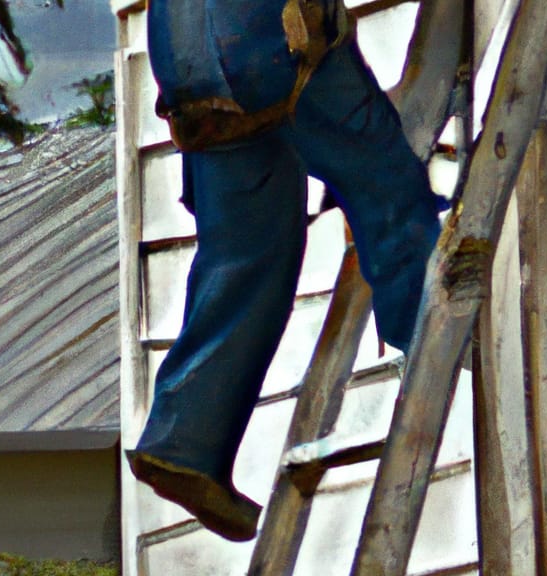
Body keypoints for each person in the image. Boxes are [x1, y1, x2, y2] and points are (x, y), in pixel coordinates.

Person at [125, 0, 445, 542]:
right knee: (385, 181)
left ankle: (184, 442)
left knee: (245, 252)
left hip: (187, 67)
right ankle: (428, 332)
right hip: (270, 39)